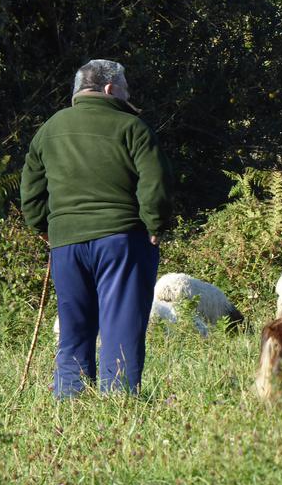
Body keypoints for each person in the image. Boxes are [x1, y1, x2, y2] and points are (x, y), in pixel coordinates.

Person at [20, 59, 173, 398]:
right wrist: (156, 223)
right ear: (109, 88)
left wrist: (45, 227)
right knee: (121, 328)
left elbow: (30, 188)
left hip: (66, 245)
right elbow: (155, 181)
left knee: (74, 329)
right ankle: (118, 407)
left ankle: (71, 405)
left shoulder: (49, 129)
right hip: (123, 240)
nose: (129, 94)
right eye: (126, 88)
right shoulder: (132, 127)